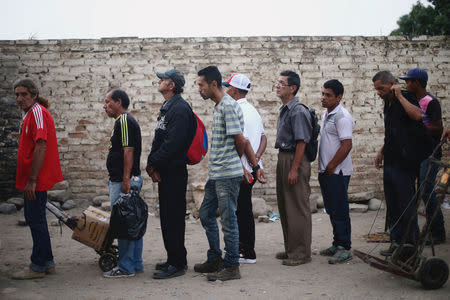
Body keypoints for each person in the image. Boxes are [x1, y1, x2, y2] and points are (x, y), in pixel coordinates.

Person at [194, 66, 262, 281]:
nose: (199, 89)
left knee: (229, 220)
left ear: (213, 84)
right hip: (217, 174)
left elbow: (241, 140)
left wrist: (242, 165)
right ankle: (215, 258)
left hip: (226, 174)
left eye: (201, 85)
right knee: (205, 214)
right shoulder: (220, 106)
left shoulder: (229, 106)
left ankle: (232, 265)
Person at [146, 69, 196, 279]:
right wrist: (154, 165)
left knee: (174, 218)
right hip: (165, 170)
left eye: (163, 79)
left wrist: (152, 163)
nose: (159, 81)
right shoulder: (168, 107)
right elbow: (160, 140)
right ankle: (172, 258)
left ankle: (178, 263)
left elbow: (173, 144)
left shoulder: (181, 109)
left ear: (172, 85)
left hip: (174, 171)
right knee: (167, 217)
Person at [12, 78, 63, 280]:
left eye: (24, 94)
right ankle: (47, 262)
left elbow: (41, 146)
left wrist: (32, 180)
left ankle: (38, 266)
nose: (19, 98)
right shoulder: (30, 114)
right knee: (37, 218)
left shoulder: (38, 113)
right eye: (17, 94)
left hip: (36, 179)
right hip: (31, 178)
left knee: (35, 220)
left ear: (34, 95)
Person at [372, 71, 424, 256]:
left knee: (405, 204)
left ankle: (409, 245)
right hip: (391, 159)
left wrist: (400, 95)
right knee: (392, 204)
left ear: (392, 84)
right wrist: (382, 150)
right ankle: (396, 243)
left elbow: (418, 116)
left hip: (405, 161)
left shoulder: (407, 97)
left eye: (381, 88)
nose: (378, 92)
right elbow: (393, 131)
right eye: (376, 89)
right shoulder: (387, 103)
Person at [223, 73, 267, 264]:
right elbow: (263, 138)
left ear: (234, 90)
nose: (226, 90)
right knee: (243, 209)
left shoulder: (237, 110)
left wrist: (245, 166)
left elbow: (242, 142)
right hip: (252, 166)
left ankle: (247, 251)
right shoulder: (253, 110)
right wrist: (256, 158)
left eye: (228, 87)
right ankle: (245, 249)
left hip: (243, 170)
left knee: (242, 211)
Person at [399, 68, 445, 245]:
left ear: (416, 83)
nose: (405, 84)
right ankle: (423, 229)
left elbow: (438, 128)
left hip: (430, 153)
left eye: (408, 81)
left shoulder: (430, 102)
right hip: (416, 153)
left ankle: (438, 232)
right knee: (416, 192)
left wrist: (419, 129)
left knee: (426, 191)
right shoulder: (411, 101)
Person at [102, 88, 144, 278]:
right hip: (122, 179)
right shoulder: (121, 122)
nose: (105, 106)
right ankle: (135, 263)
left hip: (123, 181)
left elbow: (128, 150)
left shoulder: (125, 120)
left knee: (124, 223)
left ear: (119, 102)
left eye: (108, 102)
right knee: (131, 221)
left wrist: (126, 179)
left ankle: (126, 267)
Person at [274, 70, 313, 266]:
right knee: (285, 205)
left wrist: (294, 169)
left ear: (293, 88)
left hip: (294, 159)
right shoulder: (286, 108)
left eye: (282, 83)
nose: (277, 85)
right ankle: (292, 247)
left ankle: (301, 252)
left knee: (297, 206)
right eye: (277, 82)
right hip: (284, 158)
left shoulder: (298, 110)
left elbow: (302, 142)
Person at [317, 80, 354, 264]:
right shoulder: (327, 113)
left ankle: (345, 247)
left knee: (340, 209)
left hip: (337, 172)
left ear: (339, 97)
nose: (323, 98)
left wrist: (332, 166)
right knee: (332, 209)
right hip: (326, 170)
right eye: (323, 94)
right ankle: (337, 243)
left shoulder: (342, 117)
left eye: (328, 95)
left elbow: (347, 145)